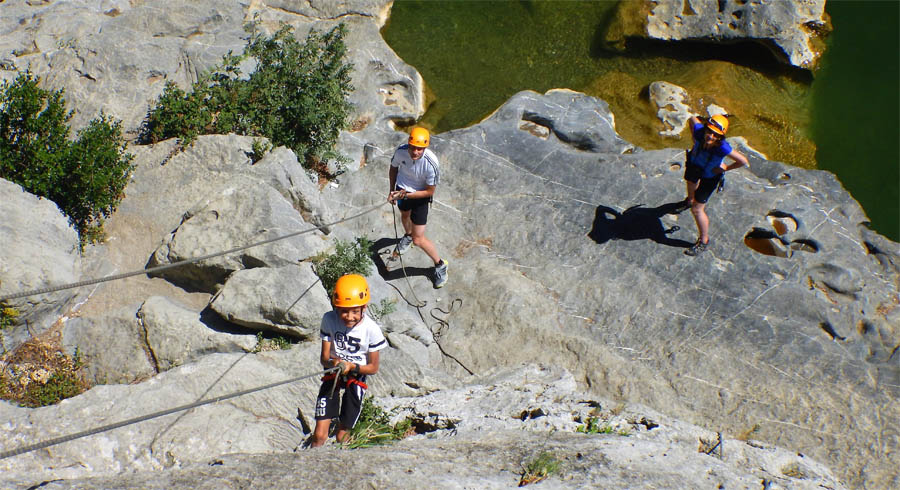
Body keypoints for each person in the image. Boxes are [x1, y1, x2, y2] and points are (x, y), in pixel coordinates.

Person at [309, 274, 387, 447]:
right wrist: (334, 364)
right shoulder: (329, 320)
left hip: (356, 377)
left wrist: (352, 366)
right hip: (334, 373)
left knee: (342, 436)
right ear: (336, 307)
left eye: (355, 311)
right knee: (319, 435)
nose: (349, 317)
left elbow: (373, 368)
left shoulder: (371, 330)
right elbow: (324, 358)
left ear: (364, 307)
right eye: (344, 311)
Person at [680, 114, 749, 256]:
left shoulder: (723, 147)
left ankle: (703, 240)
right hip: (695, 166)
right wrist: (694, 138)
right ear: (705, 129)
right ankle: (689, 200)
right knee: (691, 182)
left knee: (697, 210)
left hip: (710, 177)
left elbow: (743, 161)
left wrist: (725, 168)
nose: (710, 136)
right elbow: (692, 118)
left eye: (715, 135)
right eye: (709, 132)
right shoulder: (699, 132)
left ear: (720, 137)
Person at [388, 127, 448, 288]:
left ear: (425, 148)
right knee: (405, 215)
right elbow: (393, 168)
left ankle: (440, 265)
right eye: (413, 147)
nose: (415, 152)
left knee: (418, 239)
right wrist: (391, 189)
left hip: (420, 197)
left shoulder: (431, 164)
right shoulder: (401, 152)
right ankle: (407, 235)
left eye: (419, 149)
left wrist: (405, 195)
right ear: (408, 144)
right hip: (402, 190)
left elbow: (429, 191)